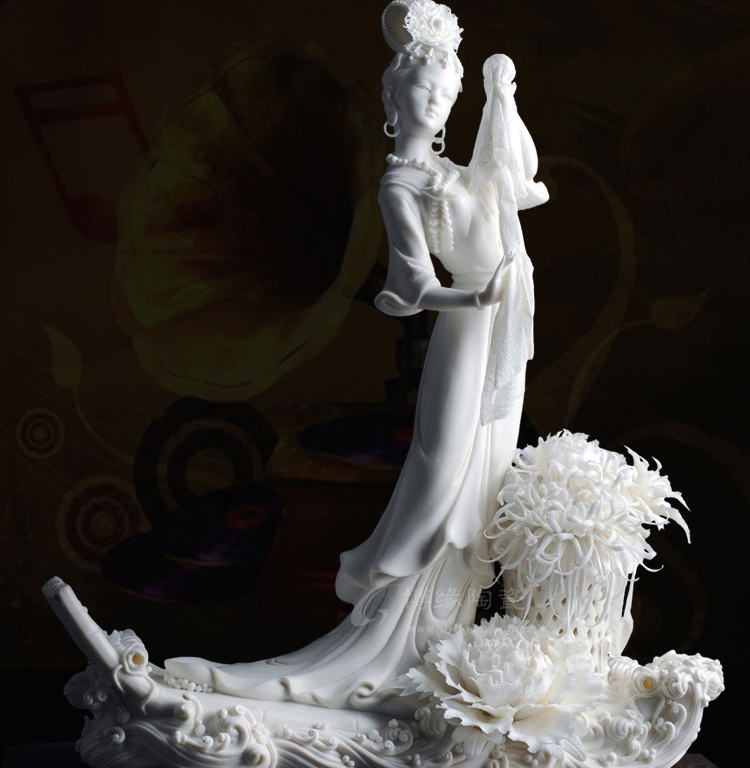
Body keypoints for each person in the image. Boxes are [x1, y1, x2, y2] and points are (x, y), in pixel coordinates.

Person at [163, 0, 548, 716]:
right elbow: (411, 287)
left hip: (501, 334)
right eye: (421, 90)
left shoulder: (461, 169)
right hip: (467, 331)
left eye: (445, 93)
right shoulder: (401, 184)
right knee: (441, 470)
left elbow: (518, 174)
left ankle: (442, 638)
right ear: (394, 100)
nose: (434, 103)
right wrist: (477, 296)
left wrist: (502, 96)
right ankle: (390, 632)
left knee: (485, 478)